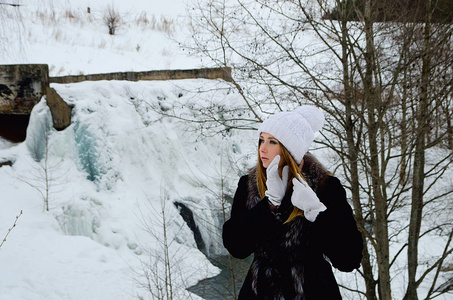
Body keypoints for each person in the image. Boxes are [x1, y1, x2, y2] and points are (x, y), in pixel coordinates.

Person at [222, 105, 363, 299]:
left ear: (291, 149)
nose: (262, 148)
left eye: (272, 142)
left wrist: (317, 213)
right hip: (259, 291)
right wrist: (268, 206)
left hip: (314, 291)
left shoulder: (325, 187)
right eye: (261, 140)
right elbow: (237, 247)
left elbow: (349, 259)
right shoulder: (249, 185)